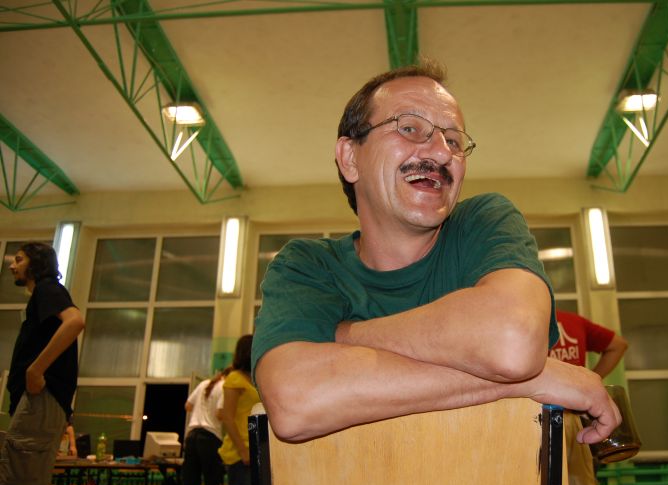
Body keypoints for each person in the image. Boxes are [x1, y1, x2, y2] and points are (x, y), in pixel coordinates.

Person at [252, 59, 619, 451]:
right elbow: (294, 402)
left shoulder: (483, 223)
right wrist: (528, 380)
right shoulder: (306, 266)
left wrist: (346, 335)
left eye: (454, 141)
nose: (442, 154)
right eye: (409, 128)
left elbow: (513, 340)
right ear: (350, 158)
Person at [0, 242, 85, 485]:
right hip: (41, 404)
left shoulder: (48, 289)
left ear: (36, 263)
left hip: (40, 402)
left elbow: (75, 322)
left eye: (19, 259)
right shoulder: (42, 296)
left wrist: (36, 369)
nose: (12, 265)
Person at [549, 309, 628, 485]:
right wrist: (591, 382)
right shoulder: (573, 321)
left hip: (541, 418)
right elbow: (618, 345)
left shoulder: (524, 319)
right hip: (575, 418)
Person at [218, 335, 259, 485]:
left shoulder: (255, 379)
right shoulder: (234, 378)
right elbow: (227, 417)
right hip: (239, 454)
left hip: (254, 451)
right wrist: (243, 450)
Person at [181, 372, 226, 485]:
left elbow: (187, 406)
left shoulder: (203, 384)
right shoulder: (225, 386)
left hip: (192, 436)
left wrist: (200, 412)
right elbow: (220, 413)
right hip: (210, 438)